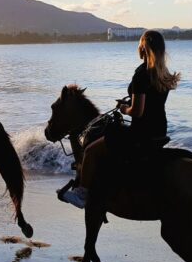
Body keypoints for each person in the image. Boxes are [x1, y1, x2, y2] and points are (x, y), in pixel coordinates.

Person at [61, 30, 180, 208]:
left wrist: (124, 108)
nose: (138, 48)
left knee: (91, 151)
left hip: (140, 133)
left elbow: (137, 112)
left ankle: (82, 194)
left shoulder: (141, 74)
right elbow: (152, 105)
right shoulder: (162, 73)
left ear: (143, 48)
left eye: (140, 45)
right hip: (159, 129)